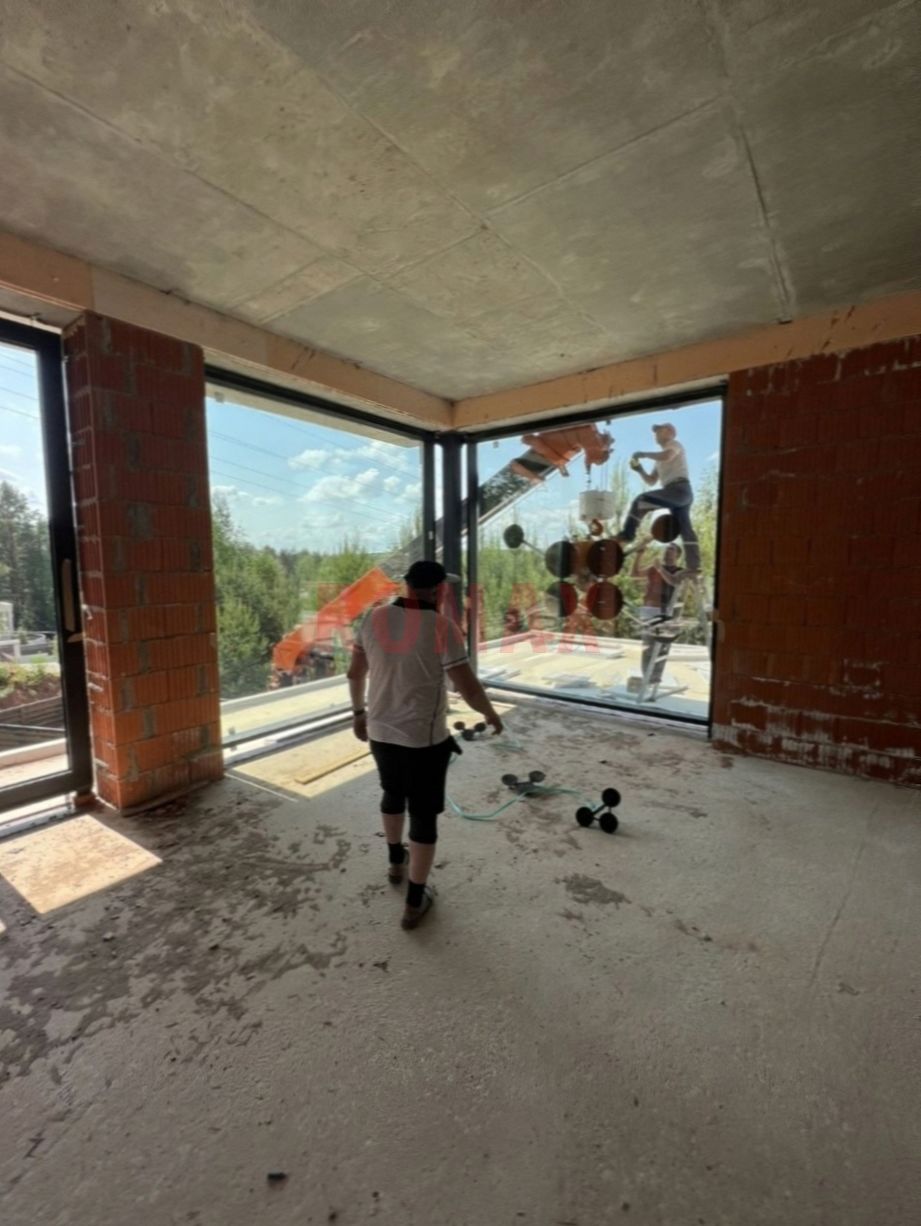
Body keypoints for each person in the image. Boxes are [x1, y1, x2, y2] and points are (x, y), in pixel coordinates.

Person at [347, 560, 503, 930]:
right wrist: (491, 714)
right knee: (422, 814)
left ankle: (395, 862)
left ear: (407, 585)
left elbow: (355, 674)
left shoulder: (373, 618)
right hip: (423, 740)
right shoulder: (442, 627)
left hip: (380, 732)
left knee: (391, 792)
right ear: (439, 590)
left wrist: (358, 714)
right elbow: (468, 688)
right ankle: (415, 901)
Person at [615, 423, 701, 573]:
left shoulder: (674, 444)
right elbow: (651, 480)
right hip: (675, 493)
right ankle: (694, 566)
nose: (655, 434)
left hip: (679, 489)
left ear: (670, 431)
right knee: (685, 529)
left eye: (659, 430)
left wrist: (643, 454)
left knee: (641, 500)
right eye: (655, 432)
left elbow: (667, 456)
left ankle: (627, 536)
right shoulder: (659, 460)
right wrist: (639, 470)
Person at [632, 541, 682, 678]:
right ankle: (646, 677)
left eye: (671, 549)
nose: (667, 551)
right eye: (666, 548)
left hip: (665, 612)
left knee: (662, 647)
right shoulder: (654, 568)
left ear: (677, 555)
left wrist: (660, 569)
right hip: (649, 609)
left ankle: (655, 677)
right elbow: (634, 574)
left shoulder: (678, 571)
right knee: (648, 645)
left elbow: (674, 581)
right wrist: (639, 555)